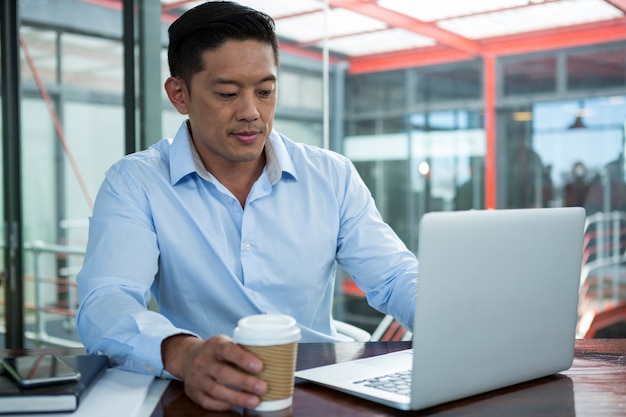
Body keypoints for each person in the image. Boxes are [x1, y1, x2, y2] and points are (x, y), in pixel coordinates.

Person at [76, 1, 418, 411]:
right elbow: (106, 301)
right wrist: (183, 354)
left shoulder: (332, 176)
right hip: (198, 395)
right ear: (179, 94)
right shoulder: (136, 183)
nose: (251, 113)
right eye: (227, 93)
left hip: (314, 392)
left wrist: (453, 322)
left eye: (265, 91)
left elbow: (395, 276)